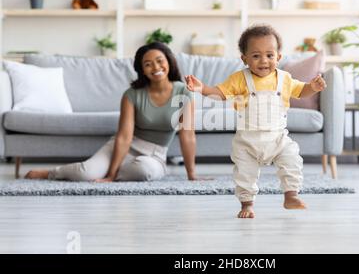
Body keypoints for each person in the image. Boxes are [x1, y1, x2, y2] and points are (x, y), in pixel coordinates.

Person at [185, 24, 327, 218]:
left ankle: (291, 194)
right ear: (244, 59)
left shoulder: (284, 79)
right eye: (256, 55)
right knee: (245, 174)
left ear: (278, 57)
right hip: (247, 141)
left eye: (269, 55)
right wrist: (203, 89)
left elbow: (301, 91)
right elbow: (221, 93)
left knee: (292, 159)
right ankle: (247, 204)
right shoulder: (239, 79)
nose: (263, 61)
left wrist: (313, 87)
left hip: (278, 139)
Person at [26, 42, 199, 182]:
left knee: (143, 171)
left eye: (160, 60)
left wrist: (192, 175)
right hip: (123, 147)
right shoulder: (132, 95)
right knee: (85, 174)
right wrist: (111, 174)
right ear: (142, 70)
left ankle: (109, 172)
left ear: (169, 61)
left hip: (154, 156)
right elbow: (124, 136)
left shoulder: (183, 92)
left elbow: (187, 135)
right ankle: (51, 173)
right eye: (148, 64)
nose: (155, 67)